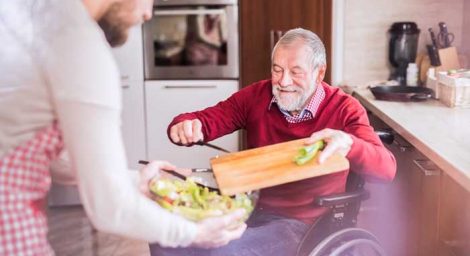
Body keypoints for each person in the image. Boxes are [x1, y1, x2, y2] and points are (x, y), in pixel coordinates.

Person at [0, 0, 246, 255]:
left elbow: (48, 154)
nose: (148, 13)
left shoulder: (27, 14)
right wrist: (196, 233)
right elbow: (109, 207)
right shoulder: (77, 42)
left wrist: (135, 180)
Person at [150, 28, 397, 255]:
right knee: (165, 238)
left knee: (222, 253)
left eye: (295, 72)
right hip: (246, 208)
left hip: (300, 224)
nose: (283, 81)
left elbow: (386, 168)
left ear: (319, 72)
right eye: (277, 70)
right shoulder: (256, 96)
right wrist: (186, 125)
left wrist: (349, 143)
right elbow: (207, 119)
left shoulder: (345, 109)